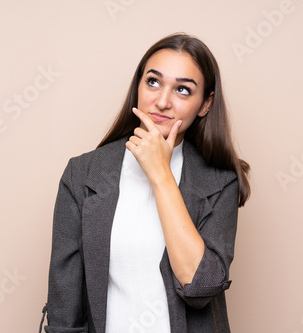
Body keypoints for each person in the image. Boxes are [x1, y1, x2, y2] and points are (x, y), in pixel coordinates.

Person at [40, 32, 250, 333]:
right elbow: (64, 306)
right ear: (137, 86)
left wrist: (160, 174)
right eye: (153, 81)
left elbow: (200, 285)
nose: (162, 101)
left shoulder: (220, 181)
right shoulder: (84, 173)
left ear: (205, 104)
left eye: (183, 90)